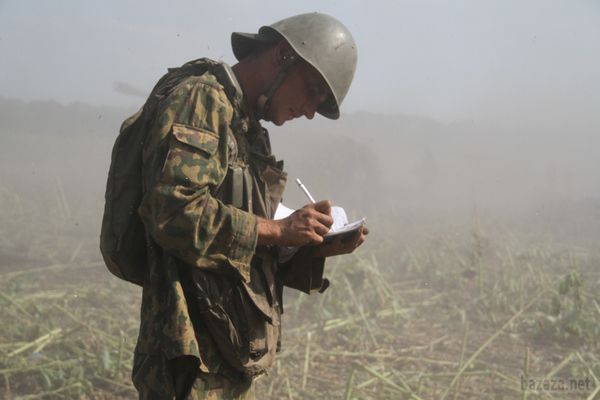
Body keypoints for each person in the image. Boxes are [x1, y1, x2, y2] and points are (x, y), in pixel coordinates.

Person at [128, 12, 367, 399]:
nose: (308, 110)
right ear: (282, 57)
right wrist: (279, 230)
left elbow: (249, 243)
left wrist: (309, 244)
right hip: (187, 359)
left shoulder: (248, 130)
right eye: (310, 90)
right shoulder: (200, 99)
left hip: (227, 350)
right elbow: (171, 213)